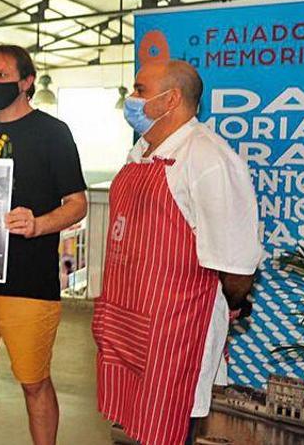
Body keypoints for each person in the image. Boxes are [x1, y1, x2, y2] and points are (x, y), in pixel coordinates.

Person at [94, 60, 259, 445]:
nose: (131, 100)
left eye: (139, 90)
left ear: (172, 99)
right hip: (128, 320)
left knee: (169, 431)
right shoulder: (142, 152)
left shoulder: (207, 158)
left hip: (174, 332)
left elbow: (236, 265)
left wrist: (228, 305)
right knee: (135, 428)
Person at [0, 45, 88, 445]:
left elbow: (78, 204)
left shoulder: (53, 132)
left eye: (2, 75)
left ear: (27, 81)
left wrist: (38, 225)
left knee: (34, 381)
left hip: (30, 280)